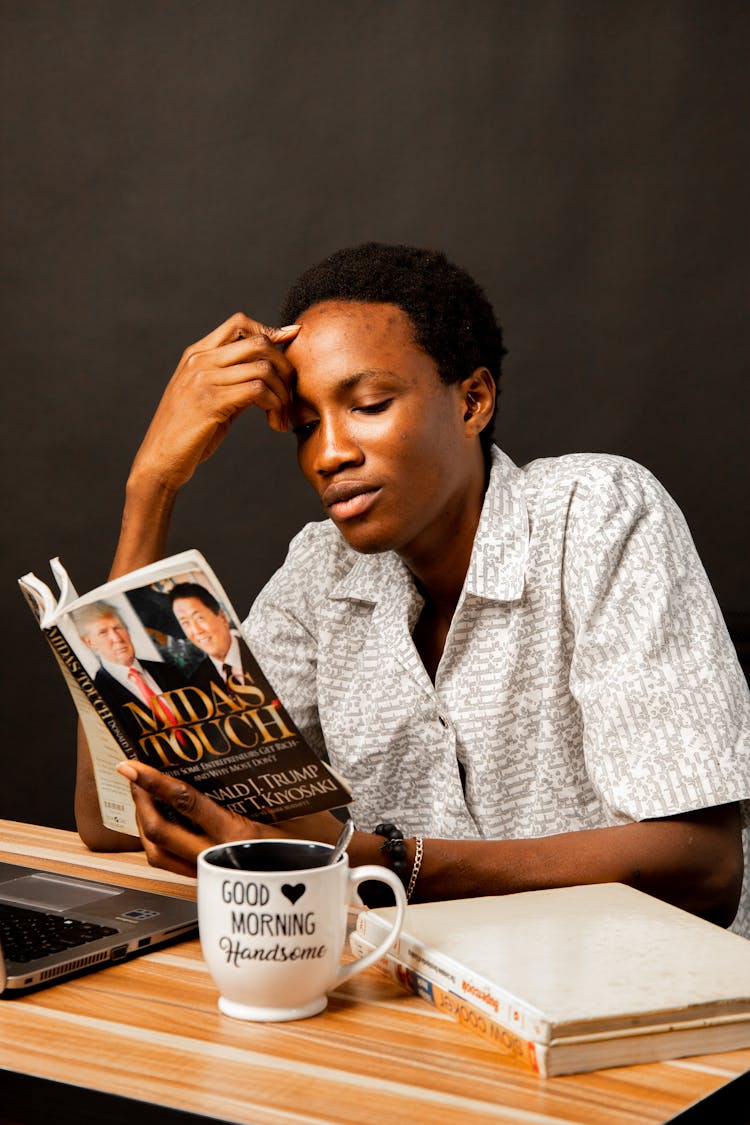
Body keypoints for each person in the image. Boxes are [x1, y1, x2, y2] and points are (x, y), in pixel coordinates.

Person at [75, 243, 750, 937]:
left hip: (654, 1004)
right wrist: (152, 486)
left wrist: (377, 862)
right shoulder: (321, 573)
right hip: (431, 1007)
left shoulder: (600, 513)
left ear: (473, 401)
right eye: (306, 427)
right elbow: (112, 816)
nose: (329, 452)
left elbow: (705, 867)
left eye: (368, 404)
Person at [71, 601, 185, 746]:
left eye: (118, 628)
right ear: (89, 643)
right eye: (103, 632)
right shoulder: (97, 695)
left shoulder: (169, 671)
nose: (117, 638)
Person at [168, 582, 250, 695]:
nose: (196, 630)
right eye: (185, 623)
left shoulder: (257, 648)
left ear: (222, 617)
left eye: (199, 618)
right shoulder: (196, 686)